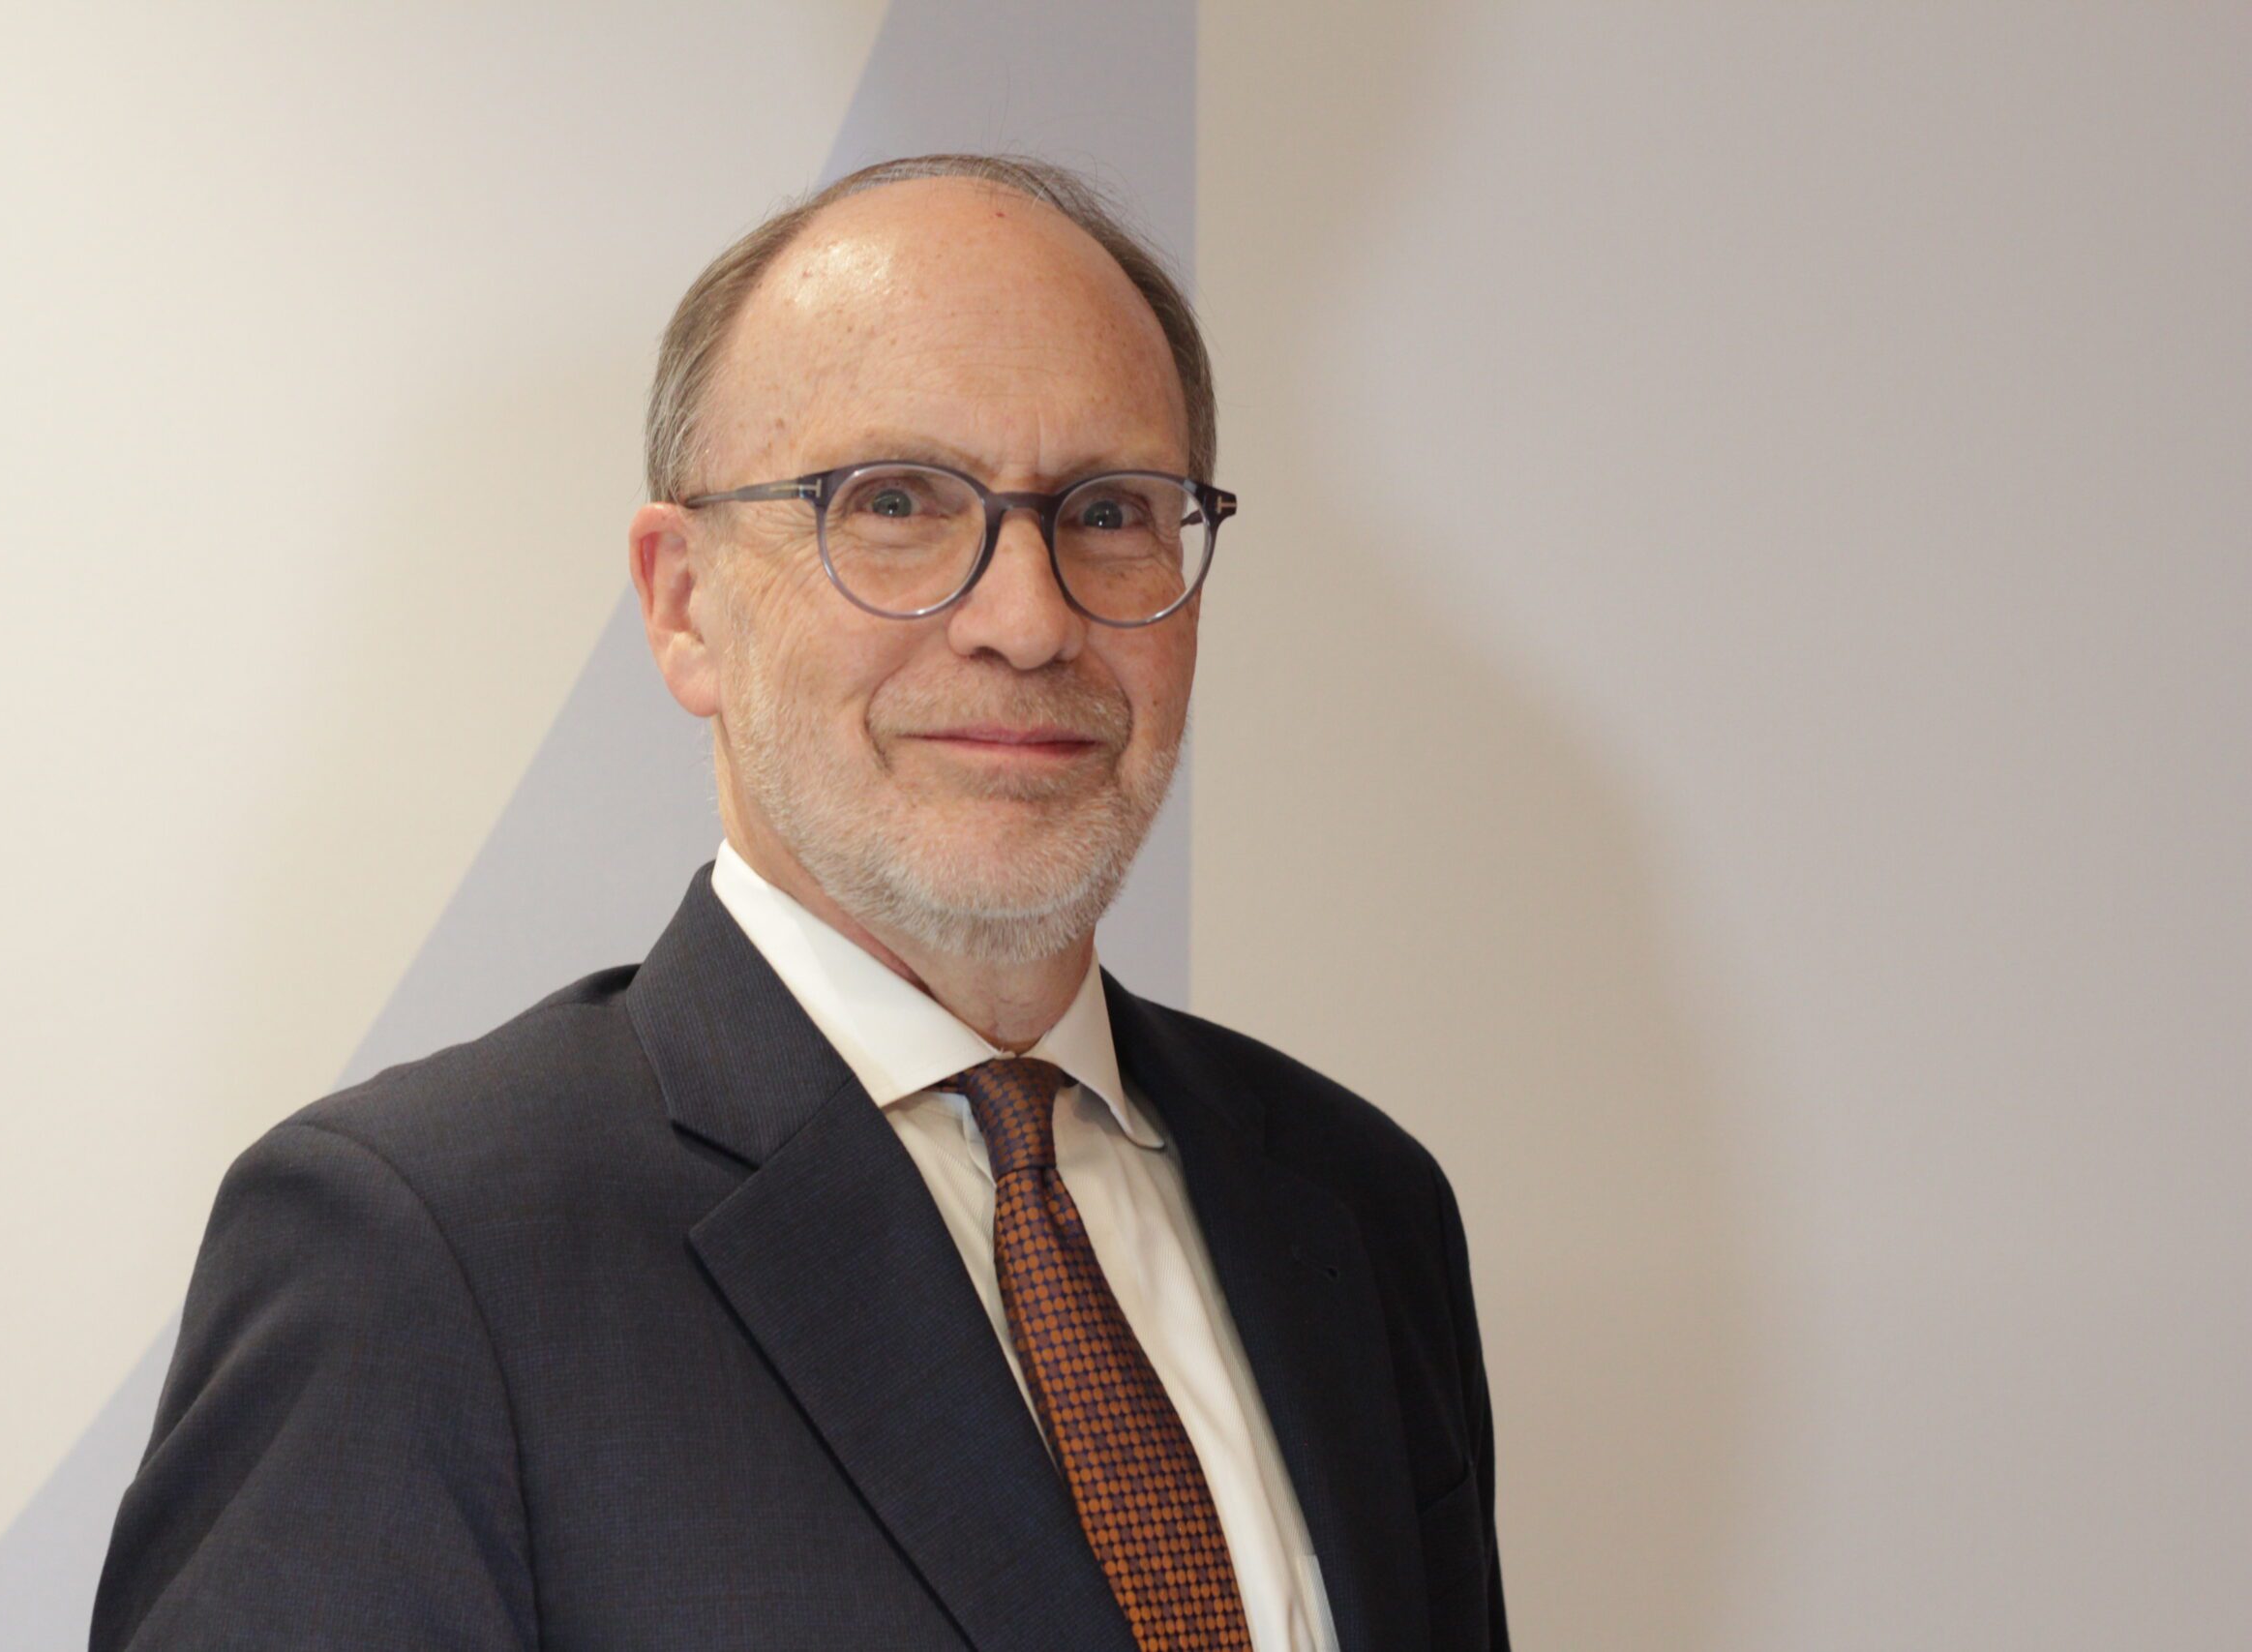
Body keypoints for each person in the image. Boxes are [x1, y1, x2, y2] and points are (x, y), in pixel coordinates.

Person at [91, 153, 1506, 1652]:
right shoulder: (421, 1255)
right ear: (683, 602)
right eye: (894, 502)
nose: (1029, 619)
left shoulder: (1358, 1209)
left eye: (1107, 511)